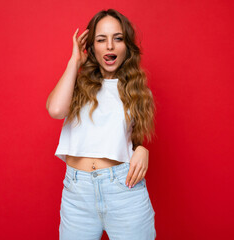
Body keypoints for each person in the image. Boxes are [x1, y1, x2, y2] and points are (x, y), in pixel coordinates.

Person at [46, 9, 157, 240]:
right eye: (101, 39)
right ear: (91, 47)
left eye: (117, 38)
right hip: (77, 196)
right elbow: (56, 110)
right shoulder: (76, 84)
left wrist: (142, 149)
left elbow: (128, 140)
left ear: (126, 47)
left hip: (124, 192)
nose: (109, 46)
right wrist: (75, 60)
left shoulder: (139, 91)